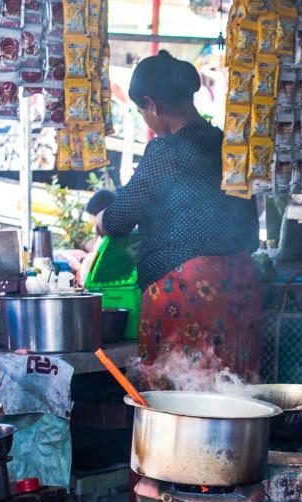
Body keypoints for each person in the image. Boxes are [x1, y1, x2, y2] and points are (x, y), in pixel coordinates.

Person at [97, 50, 261, 385]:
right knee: (234, 391)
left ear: (151, 104)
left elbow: (120, 218)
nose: (146, 118)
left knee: (181, 397)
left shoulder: (166, 152)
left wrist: (101, 218)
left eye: (142, 111)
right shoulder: (227, 145)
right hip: (239, 284)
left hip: (186, 291)